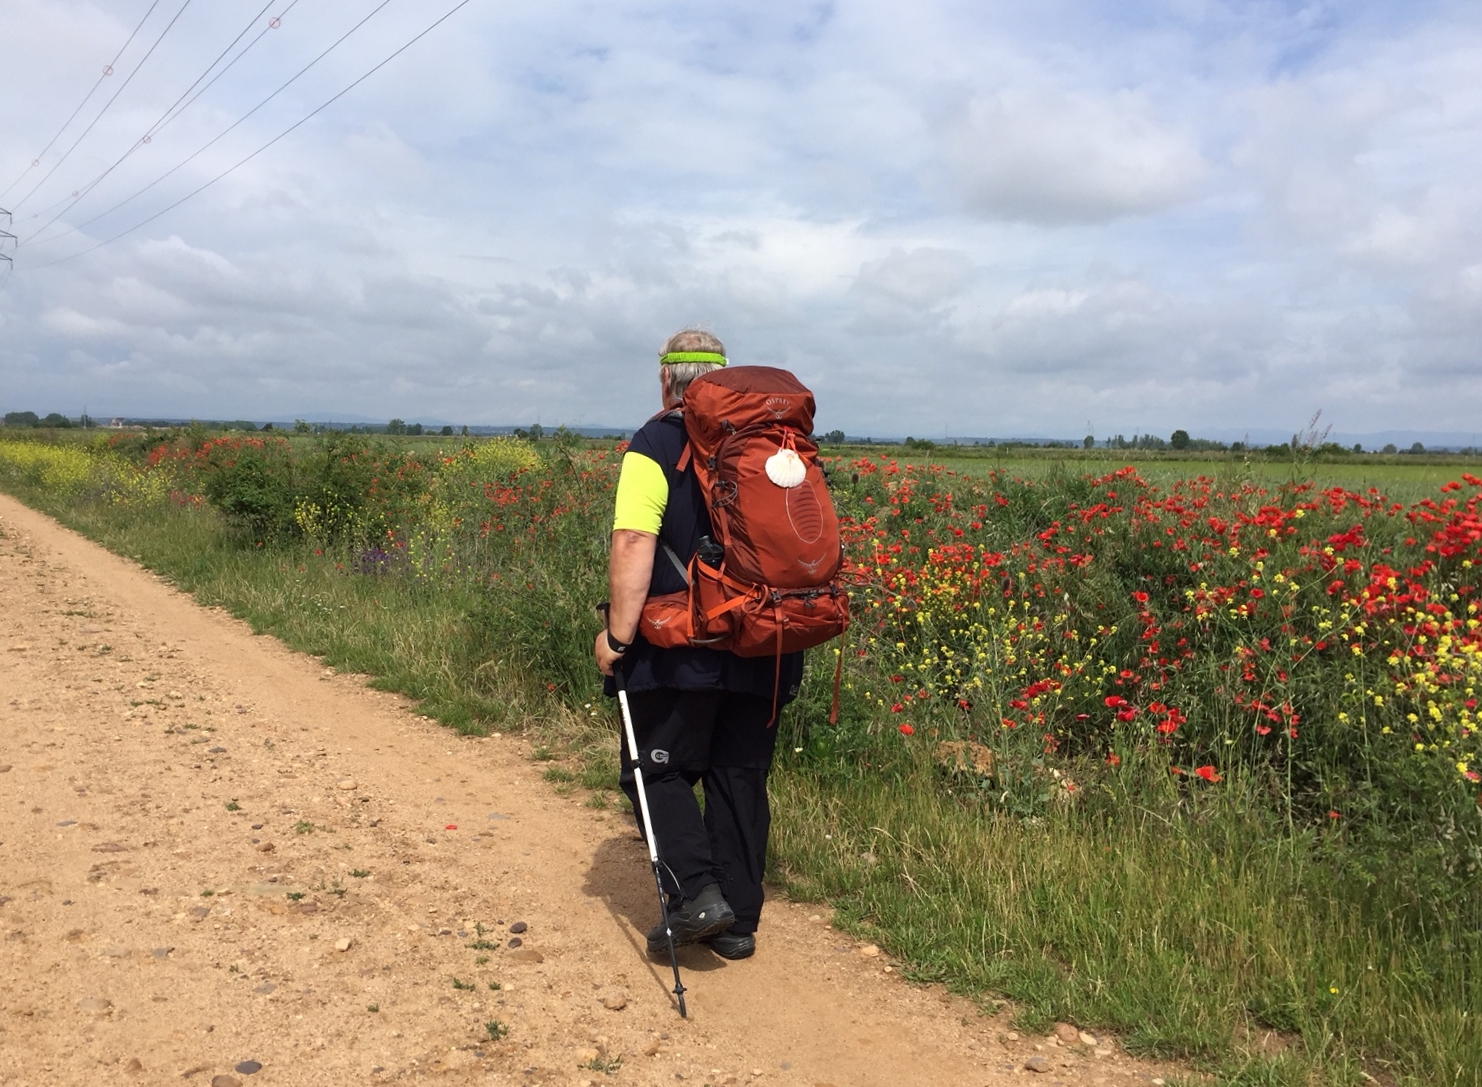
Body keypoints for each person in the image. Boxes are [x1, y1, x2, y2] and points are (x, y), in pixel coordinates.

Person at [593, 328, 804, 961]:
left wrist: (617, 637)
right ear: (722, 380)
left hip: (681, 643)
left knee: (653, 769)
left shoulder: (654, 443)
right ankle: (737, 924)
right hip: (767, 641)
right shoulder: (774, 442)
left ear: (666, 379)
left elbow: (635, 541)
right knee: (739, 775)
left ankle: (695, 896)